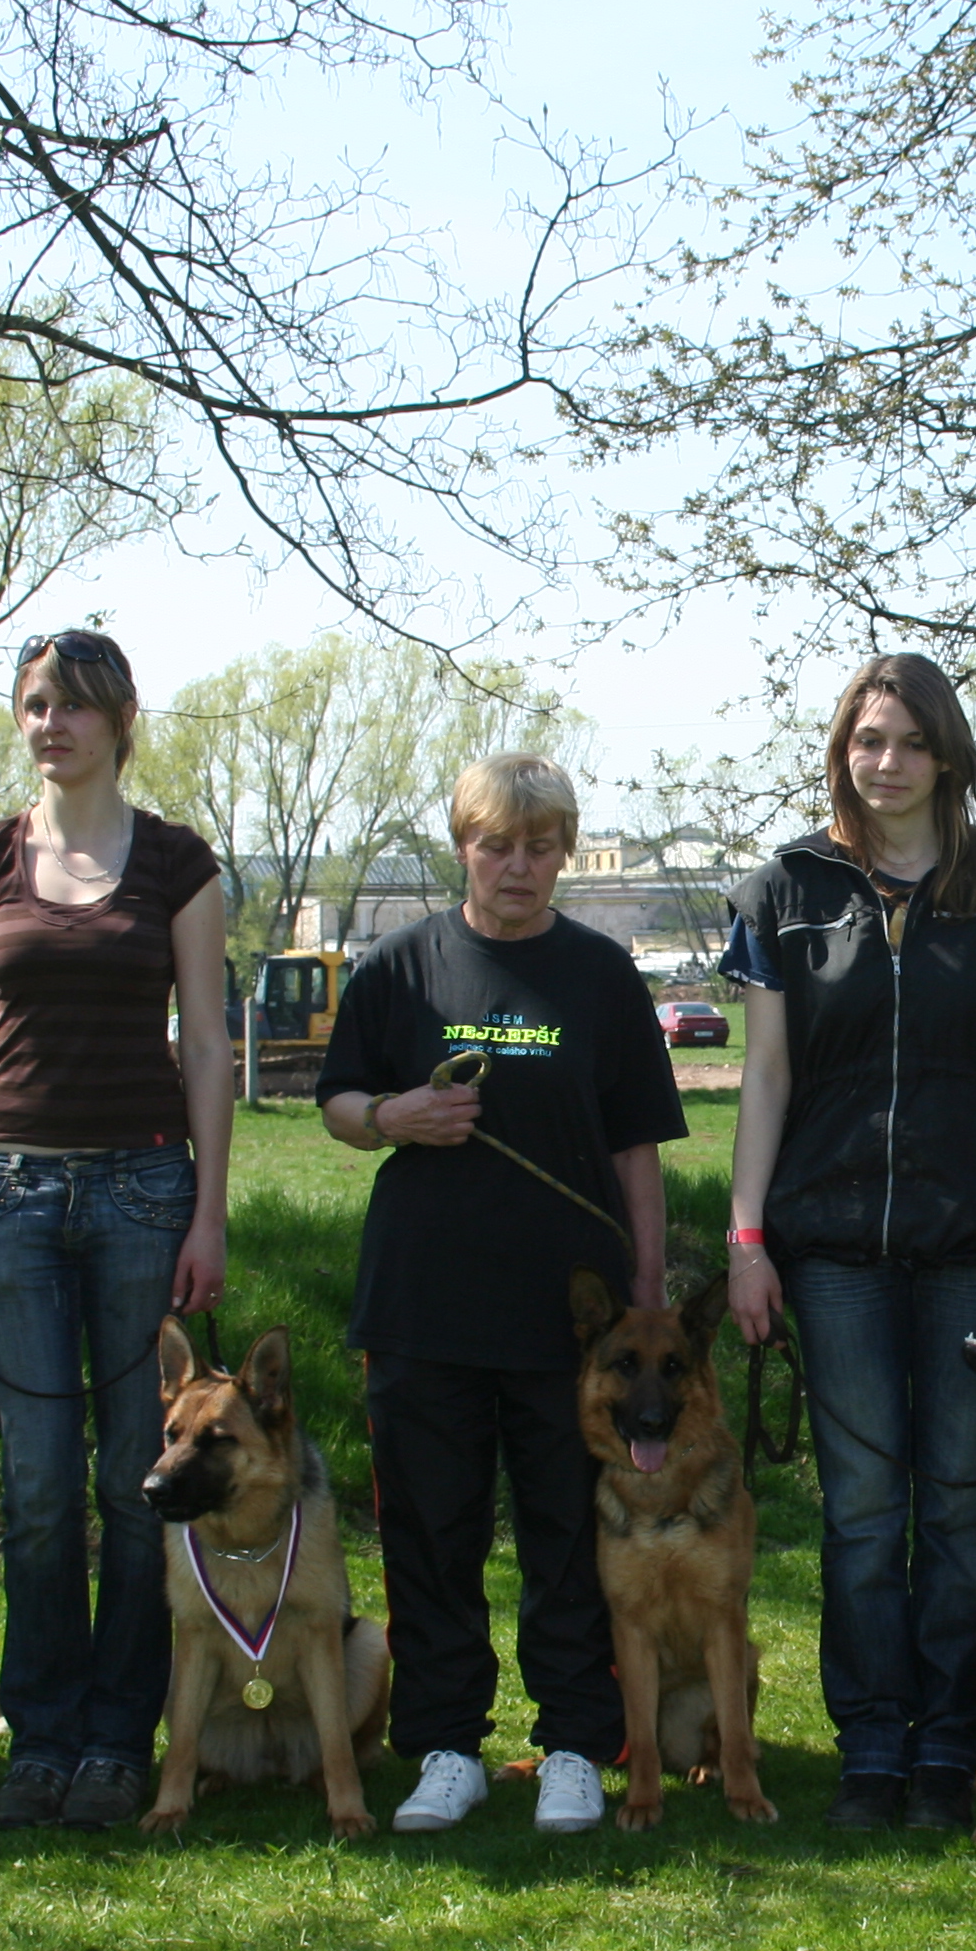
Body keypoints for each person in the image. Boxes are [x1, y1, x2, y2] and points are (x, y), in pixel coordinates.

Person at [721, 654, 976, 1832]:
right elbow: (765, 1075)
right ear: (843, 750)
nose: (887, 763)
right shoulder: (789, 887)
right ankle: (871, 1743)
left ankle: (950, 1745)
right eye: (868, 740)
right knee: (864, 1511)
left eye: (910, 743)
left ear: (948, 758)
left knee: (966, 1505)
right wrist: (747, 1237)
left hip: (971, 1245)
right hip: (830, 1253)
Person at [315, 752, 685, 1837]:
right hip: (423, 1306)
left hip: (570, 1325)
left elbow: (638, 1150)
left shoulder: (602, 976)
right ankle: (445, 1744)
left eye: (540, 846)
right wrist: (393, 1119)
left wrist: (648, 1297)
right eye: (496, 844)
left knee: (571, 1533)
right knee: (434, 1533)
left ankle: (576, 1742)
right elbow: (334, 1098)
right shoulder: (403, 965)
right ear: (462, 846)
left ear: (565, 851)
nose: (518, 866)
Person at [0, 628, 233, 1832]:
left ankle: (121, 1737)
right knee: (40, 1488)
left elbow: (206, 1042)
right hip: (9, 1200)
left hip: (144, 1194)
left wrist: (208, 1207)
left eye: (77, 707)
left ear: (120, 721)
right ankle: (41, 1738)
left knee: (130, 1482)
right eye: (36, 704)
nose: (53, 724)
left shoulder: (177, 864)